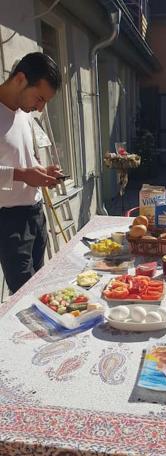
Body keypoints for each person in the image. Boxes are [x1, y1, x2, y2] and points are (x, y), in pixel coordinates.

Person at [0, 52, 63, 293]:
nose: (40, 107)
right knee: (24, 295)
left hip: (36, 213)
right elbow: (21, 170)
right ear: (20, 79)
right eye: (39, 98)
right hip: (10, 220)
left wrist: (41, 171)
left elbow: (23, 159)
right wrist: (24, 175)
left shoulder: (23, 114)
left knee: (39, 288)